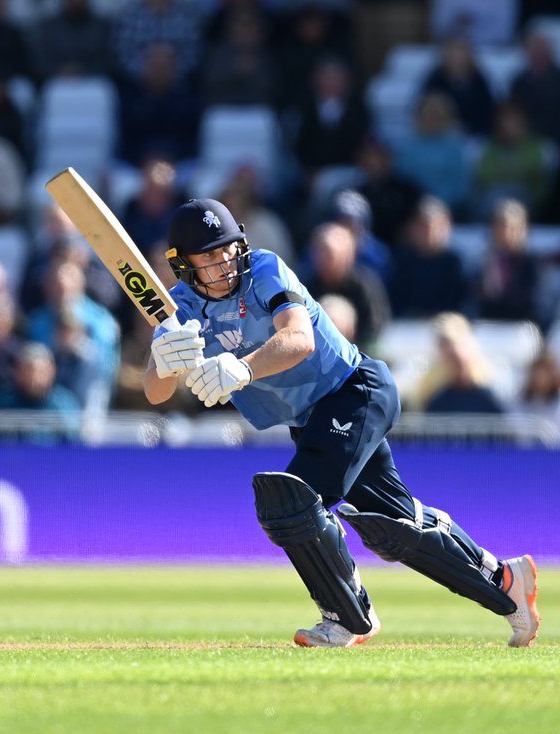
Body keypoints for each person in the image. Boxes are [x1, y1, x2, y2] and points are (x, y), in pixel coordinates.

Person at [142, 198, 539, 648]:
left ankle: (348, 616)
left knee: (290, 501)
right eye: (210, 256)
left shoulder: (264, 269)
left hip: (355, 391)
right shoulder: (179, 307)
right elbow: (155, 393)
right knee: (396, 529)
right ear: (183, 264)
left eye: (228, 249)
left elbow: (299, 337)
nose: (225, 262)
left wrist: (244, 368)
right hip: (314, 419)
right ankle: (507, 582)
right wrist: (162, 361)